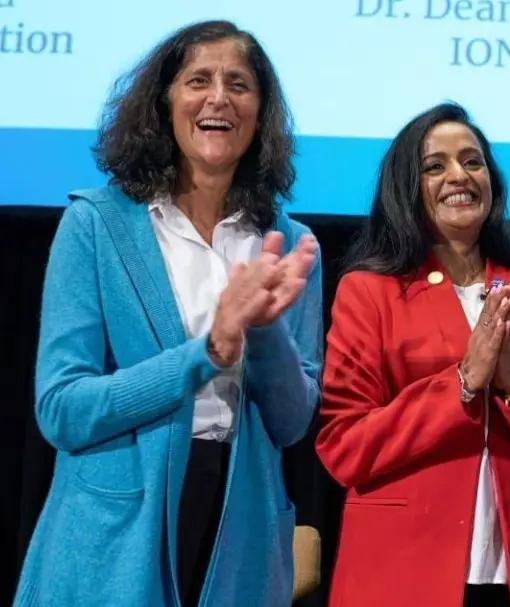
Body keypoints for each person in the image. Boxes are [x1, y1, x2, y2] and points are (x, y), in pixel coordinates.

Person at [14, 20, 323, 607]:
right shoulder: (96, 225)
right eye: (198, 80)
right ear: (164, 101)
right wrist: (204, 354)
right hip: (114, 534)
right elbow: (63, 410)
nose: (218, 98)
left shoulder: (288, 243)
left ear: (260, 112)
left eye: (239, 84)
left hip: (241, 530)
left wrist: (262, 332)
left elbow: (291, 422)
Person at [316, 102, 510, 607]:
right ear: (407, 187)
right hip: (401, 575)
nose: (459, 175)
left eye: (472, 162)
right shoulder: (369, 292)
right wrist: (464, 382)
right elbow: (344, 446)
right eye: (435, 166)